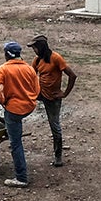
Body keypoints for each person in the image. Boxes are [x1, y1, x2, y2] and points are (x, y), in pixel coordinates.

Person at [0, 40, 40, 188]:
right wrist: (31, 98)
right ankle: (8, 122)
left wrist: (2, 100)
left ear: (7, 54)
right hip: (28, 107)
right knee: (12, 119)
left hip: (14, 109)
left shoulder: (4, 69)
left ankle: (21, 178)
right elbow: (36, 88)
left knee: (16, 143)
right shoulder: (29, 68)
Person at [29, 34, 77, 167]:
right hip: (40, 93)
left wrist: (64, 94)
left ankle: (58, 156)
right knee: (20, 104)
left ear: (41, 47)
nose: (34, 51)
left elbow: (72, 75)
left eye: (35, 48)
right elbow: (31, 76)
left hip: (53, 97)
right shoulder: (37, 60)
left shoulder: (56, 58)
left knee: (54, 125)